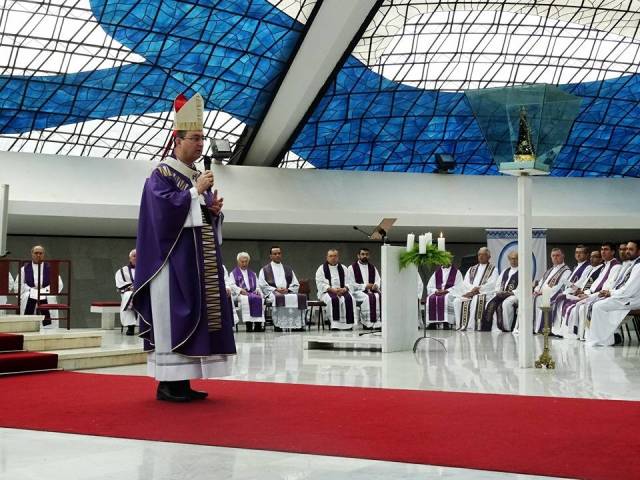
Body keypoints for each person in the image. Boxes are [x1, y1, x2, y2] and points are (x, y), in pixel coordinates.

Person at [132, 92, 236, 403]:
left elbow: (198, 221)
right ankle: (167, 383)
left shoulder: (192, 178)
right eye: (195, 138)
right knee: (172, 319)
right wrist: (195, 192)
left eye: (203, 138)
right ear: (177, 140)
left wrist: (212, 212)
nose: (201, 144)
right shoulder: (161, 175)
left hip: (195, 266)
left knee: (194, 319)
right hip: (170, 265)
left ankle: (182, 382)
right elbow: (163, 216)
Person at [587, 241, 640, 346]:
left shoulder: (638, 266)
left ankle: (604, 340)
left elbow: (629, 290)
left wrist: (611, 293)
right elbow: (622, 286)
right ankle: (606, 336)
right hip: (625, 296)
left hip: (633, 299)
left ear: (638, 251)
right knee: (596, 303)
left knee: (598, 306)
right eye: (626, 249)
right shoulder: (632, 264)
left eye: (631, 249)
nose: (627, 251)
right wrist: (610, 293)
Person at [570, 242, 621, 340]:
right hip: (597, 294)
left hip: (606, 295)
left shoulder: (616, 266)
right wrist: (586, 293)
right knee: (580, 305)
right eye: (602, 249)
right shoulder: (605, 266)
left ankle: (596, 335)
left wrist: (590, 296)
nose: (603, 252)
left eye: (606, 249)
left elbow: (608, 287)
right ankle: (583, 335)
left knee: (584, 306)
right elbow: (595, 285)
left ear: (613, 252)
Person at [258, 246, 306, 331]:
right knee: (278, 297)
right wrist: (276, 290)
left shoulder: (288, 269)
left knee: (298, 297)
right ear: (270, 256)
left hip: (287, 291)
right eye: (275, 254)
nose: (277, 255)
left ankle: (296, 325)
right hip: (273, 293)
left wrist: (288, 289)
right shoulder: (265, 270)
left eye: (279, 253)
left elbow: (295, 284)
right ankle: (278, 325)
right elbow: (262, 285)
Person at [560, 250, 604, 338]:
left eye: (595, 257)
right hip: (583, 293)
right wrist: (578, 289)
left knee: (578, 307)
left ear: (600, 259)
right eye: (591, 257)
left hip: (592, 295)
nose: (591, 259)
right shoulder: (592, 269)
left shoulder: (601, 269)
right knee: (565, 302)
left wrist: (584, 292)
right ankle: (568, 333)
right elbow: (583, 283)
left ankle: (580, 334)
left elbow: (597, 286)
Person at [453, 247, 498, 331]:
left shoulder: (493, 269)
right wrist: (472, 290)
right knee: (457, 301)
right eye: (479, 255)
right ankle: (460, 325)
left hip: (484, 293)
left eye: (483, 255)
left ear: (489, 257)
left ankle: (473, 325)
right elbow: (465, 283)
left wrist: (479, 289)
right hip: (470, 292)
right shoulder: (471, 269)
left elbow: (492, 284)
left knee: (476, 299)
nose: (480, 257)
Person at [18, 245, 64, 328]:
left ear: (44, 254)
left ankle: (49, 328)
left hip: (46, 292)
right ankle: (28, 327)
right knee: (26, 298)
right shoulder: (24, 268)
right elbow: (18, 284)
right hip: (29, 292)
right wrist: (30, 289)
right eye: (36, 253)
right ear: (32, 254)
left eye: (40, 253)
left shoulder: (50, 268)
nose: (38, 255)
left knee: (50, 299)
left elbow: (58, 283)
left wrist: (45, 289)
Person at [532, 248, 571, 335]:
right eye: (553, 256)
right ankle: (531, 327)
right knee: (530, 298)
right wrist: (537, 290)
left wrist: (544, 292)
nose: (555, 258)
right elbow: (541, 283)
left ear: (563, 256)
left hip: (551, 294)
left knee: (539, 299)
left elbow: (560, 286)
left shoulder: (566, 271)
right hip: (541, 293)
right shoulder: (549, 270)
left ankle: (541, 328)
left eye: (557, 255)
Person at [316, 249, 357, 330]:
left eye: (335, 256)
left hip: (342, 290)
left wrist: (344, 289)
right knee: (333, 299)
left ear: (338, 257)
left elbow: (350, 282)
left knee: (350, 298)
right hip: (327, 292)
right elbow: (320, 283)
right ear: (327, 257)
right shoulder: (321, 269)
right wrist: (332, 290)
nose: (333, 258)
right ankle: (335, 324)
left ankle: (348, 324)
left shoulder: (344, 268)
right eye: (330, 256)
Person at [481, 251, 519, 332]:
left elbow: (522, 287)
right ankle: (492, 327)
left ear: (519, 259)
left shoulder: (522, 272)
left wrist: (511, 293)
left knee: (505, 304)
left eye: (515, 259)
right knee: (489, 303)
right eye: (512, 259)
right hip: (502, 294)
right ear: (509, 259)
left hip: (514, 295)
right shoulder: (505, 271)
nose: (513, 260)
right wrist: (499, 292)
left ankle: (506, 327)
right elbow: (498, 284)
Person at [419, 262, 463, 329]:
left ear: (450, 261)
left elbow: (459, 286)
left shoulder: (457, 272)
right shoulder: (437, 272)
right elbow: (430, 286)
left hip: (449, 293)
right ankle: (432, 323)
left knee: (446, 298)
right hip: (438, 292)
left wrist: (446, 291)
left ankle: (447, 322)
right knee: (430, 298)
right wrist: (436, 291)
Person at [230, 252, 265, 332]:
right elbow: (231, 285)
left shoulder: (252, 273)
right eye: (242, 262)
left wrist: (257, 290)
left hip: (252, 293)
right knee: (245, 299)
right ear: (238, 262)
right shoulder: (233, 273)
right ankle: (249, 325)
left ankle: (257, 324)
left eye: (246, 261)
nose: (244, 263)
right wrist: (240, 290)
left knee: (259, 298)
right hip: (241, 294)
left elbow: (258, 285)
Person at [347, 248, 381, 329]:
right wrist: (364, 286)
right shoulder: (351, 268)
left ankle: (378, 322)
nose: (365, 256)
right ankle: (367, 323)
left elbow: (378, 280)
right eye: (363, 254)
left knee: (379, 296)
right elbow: (351, 284)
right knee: (368, 297)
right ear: (358, 256)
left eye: (367, 254)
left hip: (371, 291)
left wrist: (376, 285)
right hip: (357, 292)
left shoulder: (373, 268)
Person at [115, 249, 138, 335]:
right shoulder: (121, 271)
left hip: (143, 293)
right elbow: (120, 283)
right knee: (129, 296)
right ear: (130, 258)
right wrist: (131, 288)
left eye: (138, 256)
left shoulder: (145, 269)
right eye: (134, 256)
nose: (136, 258)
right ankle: (130, 327)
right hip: (129, 293)